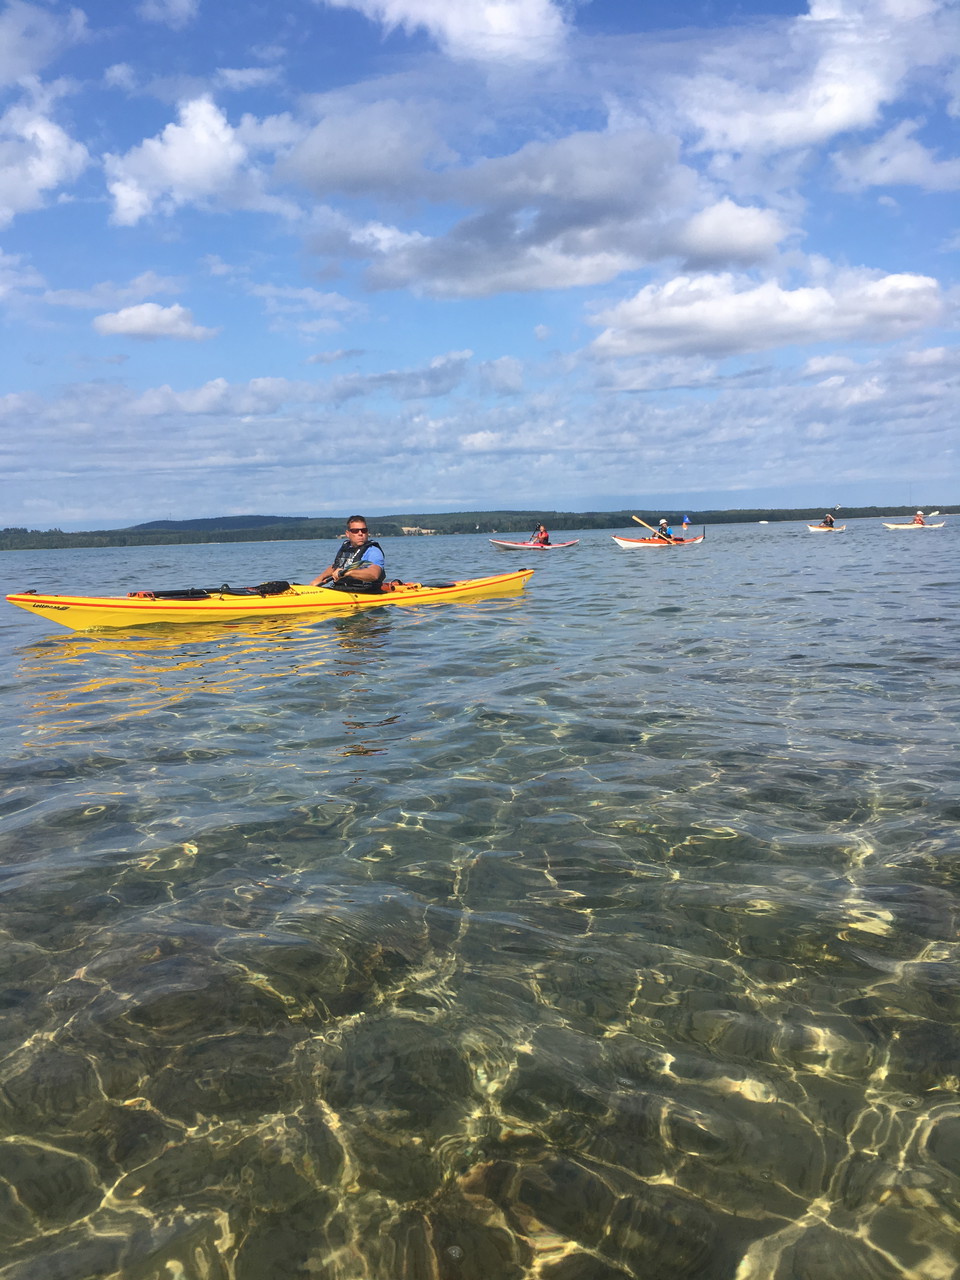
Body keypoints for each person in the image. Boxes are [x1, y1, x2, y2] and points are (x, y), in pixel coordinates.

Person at [310, 517, 385, 591]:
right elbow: (336, 566)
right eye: (355, 531)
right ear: (347, 534)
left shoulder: (373, 551)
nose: (360, 533)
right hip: (342, 589)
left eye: (364, 530)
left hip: (365, 592)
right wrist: (320, 578)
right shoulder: (346, 547)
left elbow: (374, 574)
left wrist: (348, 572)